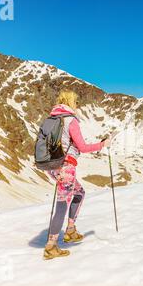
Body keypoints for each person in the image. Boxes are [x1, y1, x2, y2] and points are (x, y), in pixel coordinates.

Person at [44, 90, 111, 260]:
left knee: (79, 193)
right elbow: (82, 147)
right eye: (76, 101)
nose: (77, 105)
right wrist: (102, 144)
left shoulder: (52, 119)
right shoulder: (70, 120)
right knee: (62, 204)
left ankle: (71, 231)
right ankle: (51, 246)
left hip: (53, 166)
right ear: (70, 102)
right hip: (66, 166)